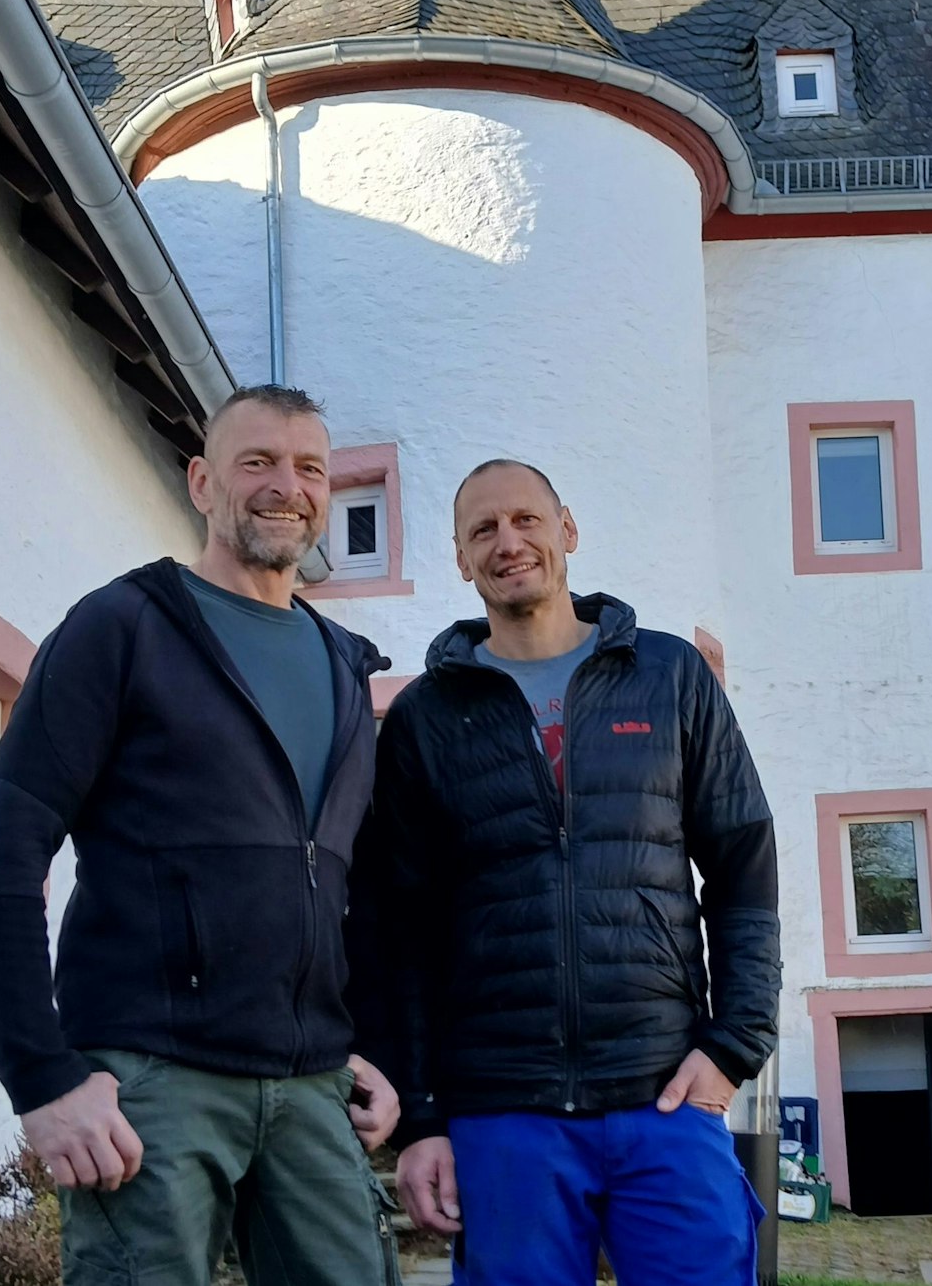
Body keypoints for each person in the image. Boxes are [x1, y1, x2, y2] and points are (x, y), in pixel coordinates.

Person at [0, 385, 403, 1286]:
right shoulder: (123, 627)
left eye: (309, 468)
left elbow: (351, 888)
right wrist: (42, 1078)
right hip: (155, 1079)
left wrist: (374, 1043)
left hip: (313, 1084)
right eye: (257, 463)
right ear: (202, 483)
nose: (287, 487)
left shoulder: (347, 672)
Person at [369, 459, 780, 1285]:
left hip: (665, 1093)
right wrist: (421, 1122)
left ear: (568, 531)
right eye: (483, 529)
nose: (508, 542)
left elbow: (742, 867)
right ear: (459, 558)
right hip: (501, 1113)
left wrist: (735, 1044)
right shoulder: (424, 719)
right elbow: (396, 934)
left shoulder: (669, 677)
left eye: (526, 520)